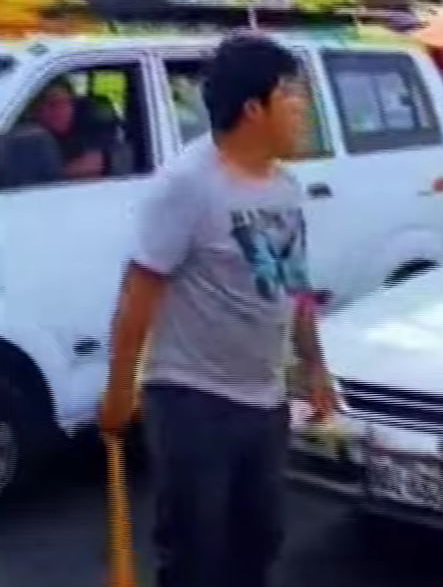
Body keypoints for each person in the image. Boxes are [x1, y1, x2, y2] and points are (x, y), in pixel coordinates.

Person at [98, 33, 332, 587]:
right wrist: (119, 390)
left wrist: (313, 366)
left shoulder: (285, 186)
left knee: (260, 541)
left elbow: (293, 283)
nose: (303, 108)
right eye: (291, 94)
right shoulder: (187, 185)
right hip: (193, 400)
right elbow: (139, 289)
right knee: (196, 556)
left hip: (264, 398)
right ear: (254, 108)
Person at [31, 78, 106, 179]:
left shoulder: (92, 125)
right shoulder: (31, 137)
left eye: (56, 104)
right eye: (39, 108)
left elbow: (93, 164)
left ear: (72, 105)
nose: (46, 112)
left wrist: (48, 176)